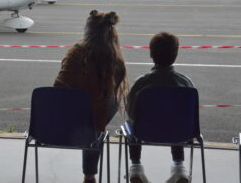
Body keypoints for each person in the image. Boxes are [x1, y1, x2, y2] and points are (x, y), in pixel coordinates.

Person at [54, 10, 128, 183]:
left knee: (89, 111)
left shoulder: (75, 51)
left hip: (54, 123)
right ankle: (90, 175)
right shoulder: (115, 60)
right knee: (101, 110)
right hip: (89, 122)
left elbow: (59, 86)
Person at [126, 32, 194, 183]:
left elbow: (130, 112)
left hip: (146, 132)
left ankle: (136, 166)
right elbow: (190, 115)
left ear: (151, 53)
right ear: (176, 54)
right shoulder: (185, 83)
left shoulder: (141, 84)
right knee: (176, 121)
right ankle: (179, 167)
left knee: (130, 124)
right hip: (179, 132)